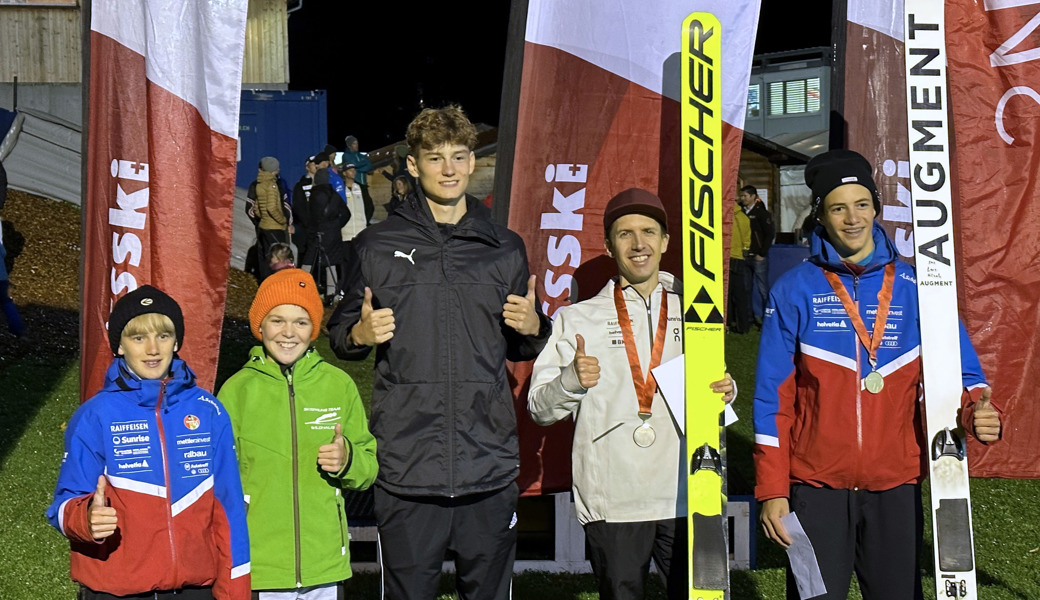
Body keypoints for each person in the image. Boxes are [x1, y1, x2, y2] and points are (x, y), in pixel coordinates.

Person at [753, 149, 1003, 600]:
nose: (852, 218)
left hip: (896, 487)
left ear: (876, 208)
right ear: (821, 217)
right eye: (838, 207)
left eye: (862, 204)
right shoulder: (793, 289)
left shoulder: (919, 287)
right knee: (813, 597)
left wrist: (977, 412)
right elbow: (772, 399)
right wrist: (773, 489)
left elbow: (963, 374)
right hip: (815, 488)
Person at [327, 104, 550, 600]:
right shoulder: (376, 245)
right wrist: (360, 334)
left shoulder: (505, 247)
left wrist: (536, 327)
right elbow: (340, 333)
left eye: (458, 156)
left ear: (473, 163)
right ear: (413, 165)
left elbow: (520, 340)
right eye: (434, 158)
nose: (448, 169)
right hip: (408, 464)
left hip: (486, 463)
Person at [528, 188, 734, 600]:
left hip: (686, 492)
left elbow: (713, 390)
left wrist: (726, 392)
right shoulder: (576, 317)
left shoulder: (698, 314)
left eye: (648, 232)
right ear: (608, 245)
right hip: (614, 498)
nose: (638, 244)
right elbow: (539, 408)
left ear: (665, 242)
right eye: (625, 234)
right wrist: (571, 379)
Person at [46, 286, 251, 600]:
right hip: (119, 590)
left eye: (164, 336)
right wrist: (85, 518)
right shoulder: (94, 416)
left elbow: (229, 508)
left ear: (177, 341)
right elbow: (62, 505)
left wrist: (235, 591)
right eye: (138, 338)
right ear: (119, 346)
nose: (153, 349)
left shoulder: (208, 410)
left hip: (195, 590)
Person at [218, 268, 377, 599]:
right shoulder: (236, 391)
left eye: (301, 322)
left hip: (324, 562)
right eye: (277, 320)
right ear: (259, 326)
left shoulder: (338, 385)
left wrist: (348, 459)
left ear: (314, 330)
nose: (288, 332)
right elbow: (217, 480)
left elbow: (368, 466)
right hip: (261, 564)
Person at [307, 167, 350, 301]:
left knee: (309, 260)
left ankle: (300, 286)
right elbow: (347, 214)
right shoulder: (334, 194)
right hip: (334, 233)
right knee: (331, 262)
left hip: (319, 232)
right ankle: (331, 293)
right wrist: (336, 225)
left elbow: (311, 217)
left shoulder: (315, 194)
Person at [249, 157, 291, 281]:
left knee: (266, 259)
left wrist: (263, 218)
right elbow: (272, 208)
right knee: (279, 259)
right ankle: (277, 285)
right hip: (275, 227)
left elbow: (256, 207)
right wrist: (283, 220)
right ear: (274, 170)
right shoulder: (272, 185)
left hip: (264, 227)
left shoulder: (260, 184)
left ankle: (265, 284)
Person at [739, 185, 773, 327]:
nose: (742, 199)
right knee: (746, 289)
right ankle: (749, 318)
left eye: (745, 196)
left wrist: (762, 253)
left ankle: (768, 320)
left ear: (753, 196)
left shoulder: (761, 213)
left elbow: (769, 234)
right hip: (744, 255)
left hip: (758, 256)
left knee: (762, 289)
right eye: (741, 196)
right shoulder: (740, 212)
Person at [728, 192, 752, 334]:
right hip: (738, 258)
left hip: (726, 258)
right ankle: (743, 326)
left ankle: (729, 323)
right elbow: (747, 238)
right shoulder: (743, 218)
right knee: (740, 294)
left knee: (727, 294)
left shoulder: (724, 217)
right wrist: (745, 250)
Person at [342, 135, 375, 223]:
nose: (356, 145)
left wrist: (359, 168)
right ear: (349, 145)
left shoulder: (361, 156)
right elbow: (353, 165)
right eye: (354, 144)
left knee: (369, 206)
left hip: (363, 184)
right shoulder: (347, 156)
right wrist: (362, 166)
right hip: (355, 183)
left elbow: (369, 165)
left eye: (357, 143)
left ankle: (365, 222)